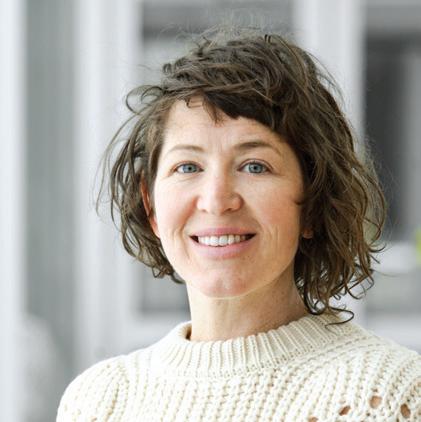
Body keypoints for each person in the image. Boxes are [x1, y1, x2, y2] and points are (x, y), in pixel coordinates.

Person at [57, 27, 421, 421]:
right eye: (188, 167)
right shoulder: (99, 400)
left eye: (254, 166)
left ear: (313, 204)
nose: (217, 200)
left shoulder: (386, 395)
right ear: (151, 207)